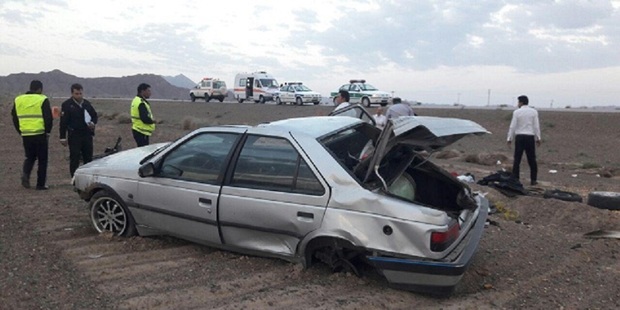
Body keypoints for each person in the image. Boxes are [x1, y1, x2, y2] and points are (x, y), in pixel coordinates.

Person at [11, 80, 53, 190]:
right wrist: (47, 132)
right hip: (40, 134)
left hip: (26, 134)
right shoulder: (42, 99)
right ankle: (41, 184)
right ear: (39, 89)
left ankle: (26, 174)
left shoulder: (18, 99)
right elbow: (48, 118)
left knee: (29, 157)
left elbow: (14, 118)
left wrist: (21, 131)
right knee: (42, 159)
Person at [59, 83, 98, 177]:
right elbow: (63, 122)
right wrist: (62, 137)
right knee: (75, 157)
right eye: (76, 93)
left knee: (88, 157)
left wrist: (93, 123)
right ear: (72, 93)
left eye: (80, 93)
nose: (79, 95)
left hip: (87, 134)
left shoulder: (87, 104)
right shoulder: (67, 105)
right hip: (74, 135)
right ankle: (74, 177)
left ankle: (87, 177)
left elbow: (94, 115)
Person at [507, 95, 541, 186]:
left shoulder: (517, 112)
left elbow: (512, 126)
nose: (517, 104)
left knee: (517, 159)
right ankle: (533, 180)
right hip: (530, 137)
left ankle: (516, 179)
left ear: (521, 102)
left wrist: (509, 138)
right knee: (532, 159)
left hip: (520, 137)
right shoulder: (534, 112)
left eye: (518, 102)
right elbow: (536, 126)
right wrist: (538, 138)